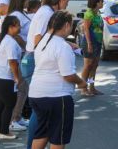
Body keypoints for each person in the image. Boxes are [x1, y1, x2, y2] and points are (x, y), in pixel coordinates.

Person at [29, 10, 87, 149]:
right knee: (58, 138)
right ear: (67, 25)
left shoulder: (43, 41)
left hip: (36, 94)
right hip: (56, 97)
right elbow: (67, 75)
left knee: (42, 133)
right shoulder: (61, 46)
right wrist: (81, 82)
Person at [23, 0, 71, 149]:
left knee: (41, 112)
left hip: (32, 60)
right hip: (33, 61)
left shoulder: (47, 11)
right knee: (41, 112)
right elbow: (39, 41)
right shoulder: (46, 13)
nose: (68, 2)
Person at [0, 16, 22, 140]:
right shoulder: (10, 42)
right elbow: (12, 62)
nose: (20, 27)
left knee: (1, 104)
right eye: (18, 25)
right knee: (10, 103)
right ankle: (4, 132)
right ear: (11, 27)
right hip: (3, 77)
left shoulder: (7, 39)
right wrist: (17, 78)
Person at [7, 0, 31, 131]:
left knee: (22, 88)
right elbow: (14, 35)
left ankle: (18, 117)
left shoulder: (22, 13)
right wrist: (25, 45)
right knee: (21, 87)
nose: (29, 0)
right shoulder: (16, 14)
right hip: (19, 54)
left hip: (23, 53)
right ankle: (13, 119)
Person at [80, 0, 104, 96]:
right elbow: (86, 29)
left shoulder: (98, 13)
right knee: (88, 66)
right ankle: (83, 88)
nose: (102, 3)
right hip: (90, 42)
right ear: (97, 2)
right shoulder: (89, 13)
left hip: (97, 43)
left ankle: (92, 87)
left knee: (94, 66)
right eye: (101, 1)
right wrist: (89, 44)